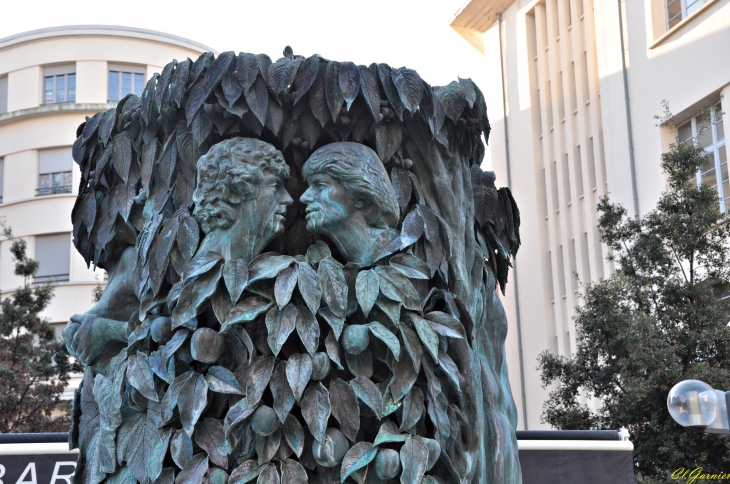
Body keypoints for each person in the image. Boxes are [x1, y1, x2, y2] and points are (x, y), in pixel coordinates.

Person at [63, 137, 292, 366]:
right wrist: (110, 330)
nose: (288, 199)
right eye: (275, 187)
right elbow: (76, 331)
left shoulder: (286, 275)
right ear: (235, 191)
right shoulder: (161, 268)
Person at [300, 142, 399, 266]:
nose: (304, 197)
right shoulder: (353, 264)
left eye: (320, 185)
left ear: (360, 197)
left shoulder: (400, 251)